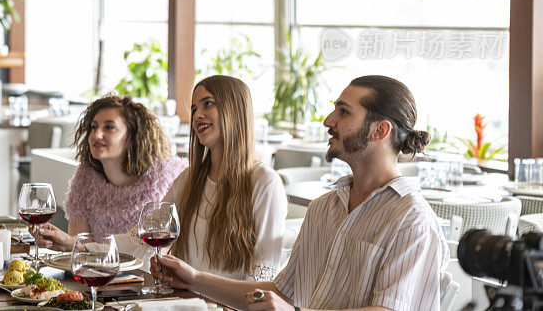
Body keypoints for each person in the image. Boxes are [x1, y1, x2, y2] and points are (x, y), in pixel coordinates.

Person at [153, 75, 449, 311]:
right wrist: (194, 279)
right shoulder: (323, 208)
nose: (328, 120)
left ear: (380, 131)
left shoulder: (412, 220)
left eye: (343, 112)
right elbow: (281, 292)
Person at [161, 75, 287, 282]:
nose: (197, 116)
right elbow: (144, 237)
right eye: (194, 109)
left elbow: (260, 281)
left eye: (207, 104)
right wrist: (95, 249)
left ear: (235, 111)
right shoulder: (187, 180)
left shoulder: (264, 183)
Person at [36, 94, 187, 251]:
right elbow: (79, 247)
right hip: (99, 271)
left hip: (150, 273)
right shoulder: (86, 178)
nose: (96, 135)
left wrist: (73, 245)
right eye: (94, 127)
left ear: (132, 136)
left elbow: (159, 250)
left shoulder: (166, 176)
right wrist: (64, 242)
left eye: (109, 127)